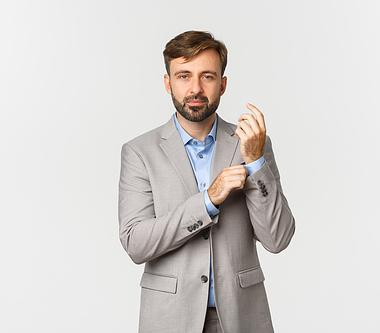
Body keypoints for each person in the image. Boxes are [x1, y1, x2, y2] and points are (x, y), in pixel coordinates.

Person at [118, 30, 296, 333]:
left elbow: (277, 239)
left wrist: (254, 161)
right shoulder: (139, 152)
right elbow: (136, 243)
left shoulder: (252, 145)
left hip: (242, 318)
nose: (195, 88)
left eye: (208, 77)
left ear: (223, 84)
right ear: (168, 83)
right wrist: (208, 200)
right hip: (170, 318)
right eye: (184, 76)